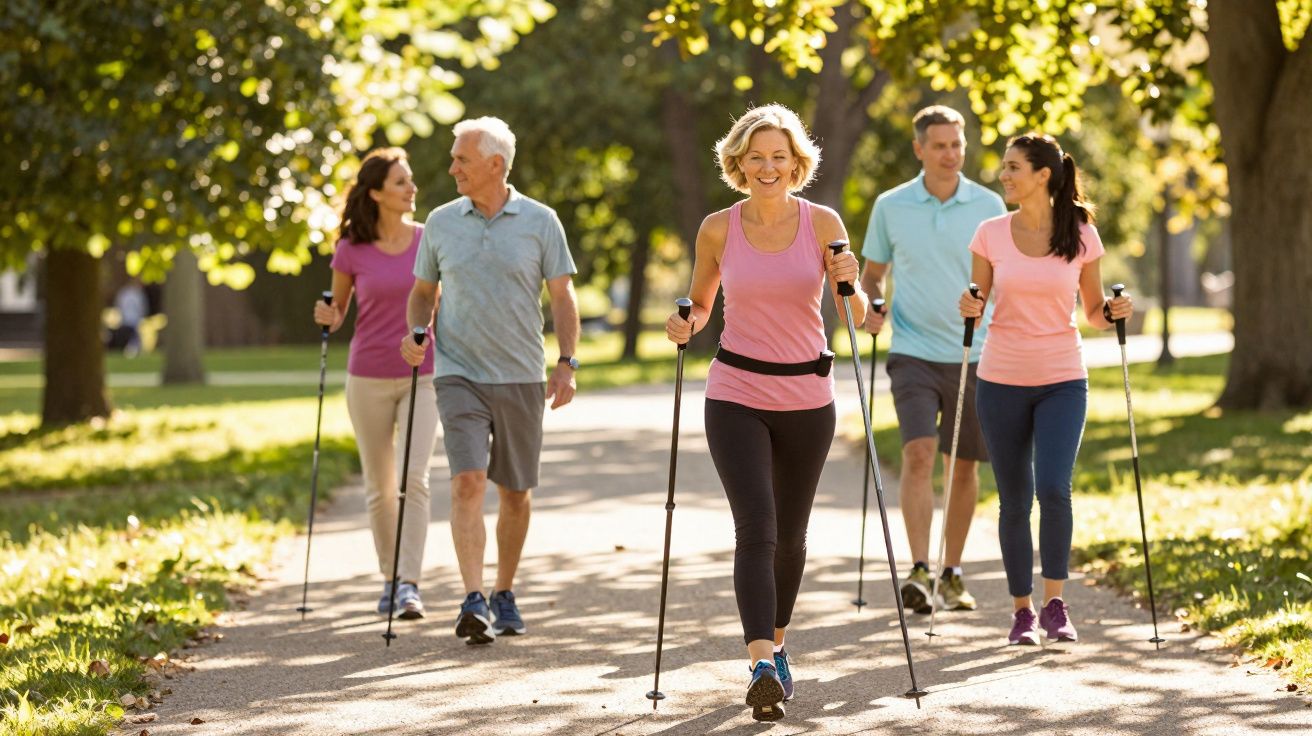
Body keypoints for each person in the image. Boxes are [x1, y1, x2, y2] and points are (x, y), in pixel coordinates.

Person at [665, 104, 864, 722]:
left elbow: (856, 319)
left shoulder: (824, 223)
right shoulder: (718, 228)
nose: (768, 166)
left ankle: (777, 647)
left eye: (779, 156)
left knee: (791, 537)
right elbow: (700, 305)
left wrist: (851, 280)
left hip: (808, 398)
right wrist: (685, 321)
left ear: (797, 162)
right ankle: (758, 664)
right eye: (756, 156)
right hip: (736, 393)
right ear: (739, 163)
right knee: (757, 527)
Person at [401, 116, 580, 646]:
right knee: (467, 482)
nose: (452, 166)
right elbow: (421, 292)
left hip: (521, 374)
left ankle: (504, 591)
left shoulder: (541, 221)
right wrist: (417, 328)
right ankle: (473, 597)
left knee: (516, 493)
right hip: (458, 372)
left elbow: (563, 297)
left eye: (461, 158)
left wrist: (567, 362)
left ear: (494, 165)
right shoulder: (440, 222)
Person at [958, 133, 1132, 645]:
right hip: (1001, 379)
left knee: (1055, 488)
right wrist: (967, 307)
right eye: (1004, 167)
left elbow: (1096, 312)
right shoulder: (989, 233)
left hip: (1062, 379)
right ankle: (1021, 612)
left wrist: (1115, 313)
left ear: (1043, 175)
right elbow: (976, 300)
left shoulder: (1080, 234)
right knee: (1015, 499)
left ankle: (1056, 604)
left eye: (1013, 167)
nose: (1004, 176)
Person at [859, 105, 1007, 615]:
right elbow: (872, 273)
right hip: (913, 351)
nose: (950, 154)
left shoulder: (990, 206)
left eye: (957, 145)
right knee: (920, 453)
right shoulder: (891, 206)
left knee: (962, 467)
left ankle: (952, 573)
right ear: (919, 149)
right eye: (939, 145)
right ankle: (919, 569)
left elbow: (1005, 277)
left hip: (975, 353)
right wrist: (872, 302)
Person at [313, 147, 439, 620]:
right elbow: (339, 311)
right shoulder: (350, 248)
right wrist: (327, 315)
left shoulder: (429, 238)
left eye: (410, 180)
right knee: (380, 485)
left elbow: (437, 304)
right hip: (366, 376)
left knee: (414, 478)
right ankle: (389, 579)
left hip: (420, 375)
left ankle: (409, 584)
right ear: (376, 194)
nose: (412, 189)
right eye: (401, 182)